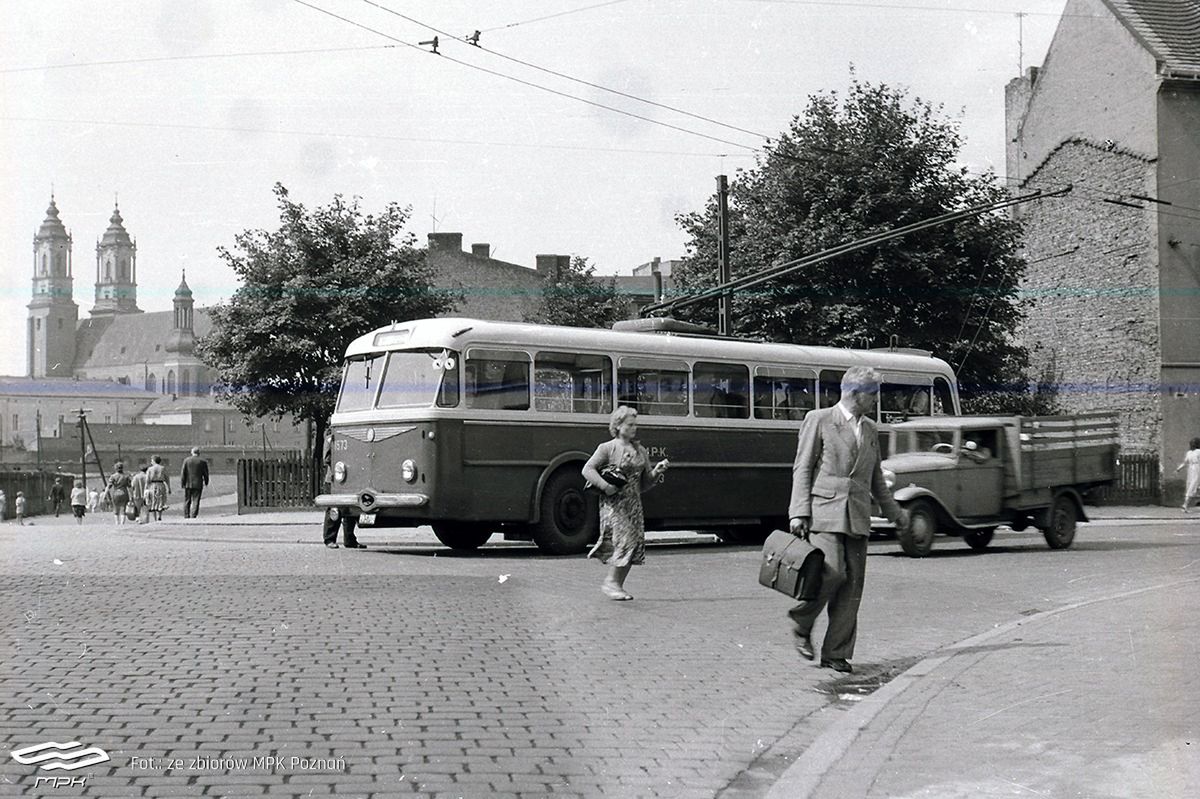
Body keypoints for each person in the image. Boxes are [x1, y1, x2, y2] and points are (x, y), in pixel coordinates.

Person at [787, 366, 910, 674]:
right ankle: (802, 622)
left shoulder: (869, 429)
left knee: (853, 585)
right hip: (825, 511)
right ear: (855, 394)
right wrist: (798, 511)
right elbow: (802, 468)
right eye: (873, 395)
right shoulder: (819, 420)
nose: (877, 401)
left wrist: (895, 514)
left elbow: (876, 479)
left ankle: (836, 653)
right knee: (832, 573)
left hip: (857, 514)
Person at [581, 406, 670, 601]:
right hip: (614, 505)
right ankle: (611, 583)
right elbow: (587, 470)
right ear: (618, 425)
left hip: (633, 504)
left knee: (634, 544)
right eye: (630, 425)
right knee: (624, 541)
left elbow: (645, 482)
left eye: (635, 424)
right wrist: (605, 486)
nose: (634, 428)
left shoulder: (640, 450)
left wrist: (657, 471)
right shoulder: (607, 448)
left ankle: (616, 585)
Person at [322, 431, 365, 549]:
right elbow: (327, 458)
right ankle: (329, 539)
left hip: (349, 479)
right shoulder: (331, 438)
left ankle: (349, 539)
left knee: (350, 509)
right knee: (334, 509)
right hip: (334, 479)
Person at [180, 447, 210, 519]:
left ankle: (186, 515)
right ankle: (194, 515)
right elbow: (206, 474)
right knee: (196, 500)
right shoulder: (203, 461)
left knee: (187, 500)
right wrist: (206, 482)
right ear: (199, 453)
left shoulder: (186, 460)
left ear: (192, 452)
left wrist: (182, 483)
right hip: (198, 483)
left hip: (188, 483)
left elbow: (183, 473)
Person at [1175, 437, 1200, 513]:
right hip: (1197, 469)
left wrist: (1178, 469)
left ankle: (1185, 504)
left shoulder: (1189, 453)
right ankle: (1185, 505)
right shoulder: (1199, 451)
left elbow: (1185, 462)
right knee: (1193, 486)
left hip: (1191, 469)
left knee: (1191, 486)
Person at [145, 455, 170, 522]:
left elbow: (147, 480)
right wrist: (169, 487)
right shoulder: (163, 468)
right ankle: (159, 516)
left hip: (152, 485)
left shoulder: (150, 469)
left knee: (153, 500)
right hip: (161, 484)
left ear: (154, 461)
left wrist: (146, 488)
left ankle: (155, 518)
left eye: (151, 460)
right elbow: (167, 478)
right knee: (160, 500)